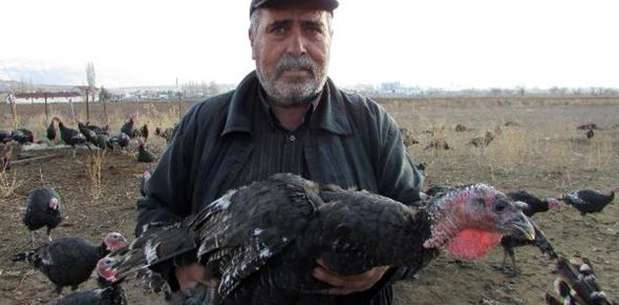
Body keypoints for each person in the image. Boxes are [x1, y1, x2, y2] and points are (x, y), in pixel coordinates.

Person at [136, 0, 424, 304]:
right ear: (252, 39)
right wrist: (178, 269)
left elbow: (420, 225)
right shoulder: (203, 124)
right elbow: (155, 211)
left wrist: (385, 266)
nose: (297, 47)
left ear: (330, 38)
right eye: (279, 28)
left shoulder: (372, 125)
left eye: (312, 28)